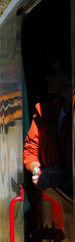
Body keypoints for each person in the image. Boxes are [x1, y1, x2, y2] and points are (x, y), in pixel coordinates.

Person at [23, 61, 73, 197]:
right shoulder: (46, 111)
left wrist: (66, 181)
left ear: (69, 78)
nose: (47, 78)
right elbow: (30, 149)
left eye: (54, 73)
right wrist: (39, 172)